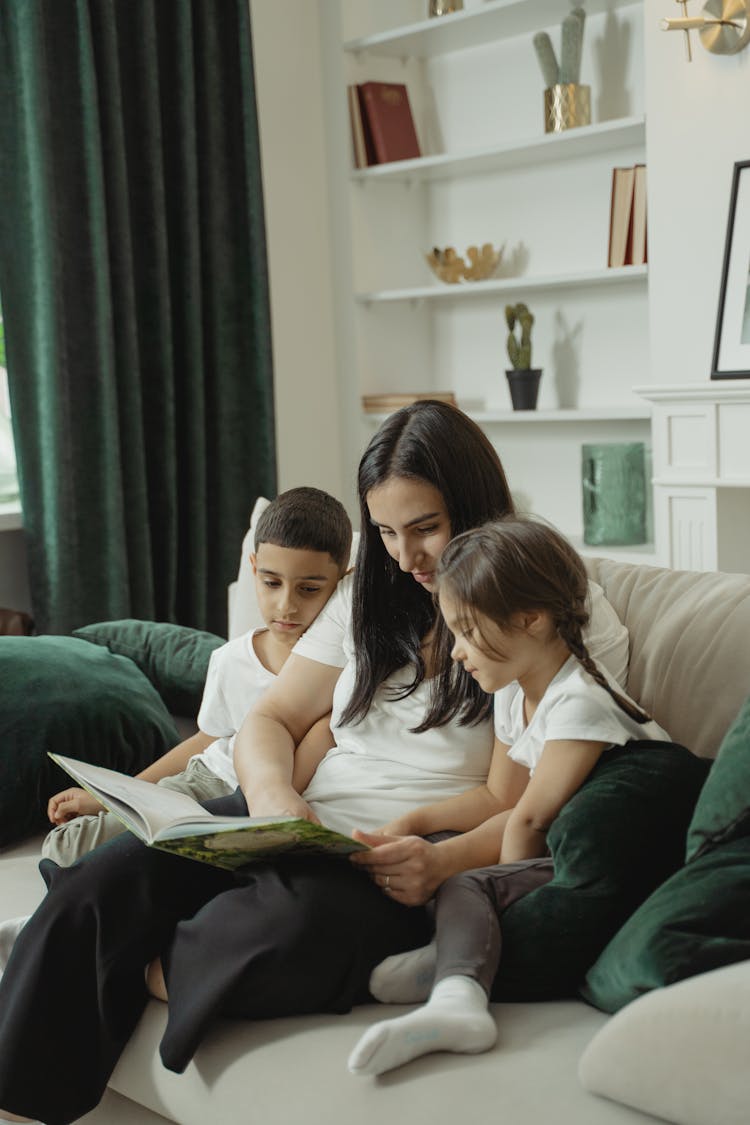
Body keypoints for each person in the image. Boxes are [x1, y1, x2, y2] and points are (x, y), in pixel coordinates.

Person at [0, 402, 628, 1125]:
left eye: (425, 528)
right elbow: (269, 716)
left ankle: (97, 951)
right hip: (292, 819)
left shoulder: (545, 609)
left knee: (269, 936)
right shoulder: (368, 595)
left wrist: (441, 860)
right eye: (386, 532)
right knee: (98, 883)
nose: (405, 556)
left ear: (476, 502)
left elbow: (518, 801)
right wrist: (271, 793)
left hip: (394, 854)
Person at [348, 516, 674, 1077]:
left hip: (629, 858)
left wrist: (499, 901)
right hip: (568, 848)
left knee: (470, 882)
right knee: (464, 876)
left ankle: (461, 995)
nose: (455, 653)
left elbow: (530, 819)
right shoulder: (515, 696)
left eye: (469, 632)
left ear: (531, 619)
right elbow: (507, 805)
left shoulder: (581, 701)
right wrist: (417, 823)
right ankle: (458, 960)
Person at [0, 485, 352, 978]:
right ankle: (53, 925)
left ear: (344, 581)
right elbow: (205, 741)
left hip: (258, 802)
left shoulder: (342, 665)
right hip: (201, 783)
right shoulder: (232, 660)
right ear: (253, 569)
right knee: (69, 847)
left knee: (200, 874)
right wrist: (110, 794)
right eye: (271, 583)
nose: (286, 606)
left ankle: (88, 930)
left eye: (310, 589)